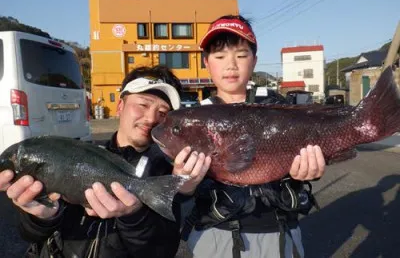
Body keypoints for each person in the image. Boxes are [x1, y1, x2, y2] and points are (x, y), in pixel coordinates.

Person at [0, 65, 210, 258]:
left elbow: (162, 249)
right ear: (120, 106)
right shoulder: (75, 152)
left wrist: (134, 217)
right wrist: (40, 218)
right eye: (143, 105)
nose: (150, 118)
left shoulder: (164, 172)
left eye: (162, 113)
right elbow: (31, 234)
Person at [182, 15, 326, 258]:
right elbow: (180, 190)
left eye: (241, 55)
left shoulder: (278, 108)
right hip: (216, 236)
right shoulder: (191, 119)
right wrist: (185, 183)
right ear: (206, 62)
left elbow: (308, 151)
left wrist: (310, 169)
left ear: (255, 60)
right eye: (219, 57)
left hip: (280, 233)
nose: (231, 65)